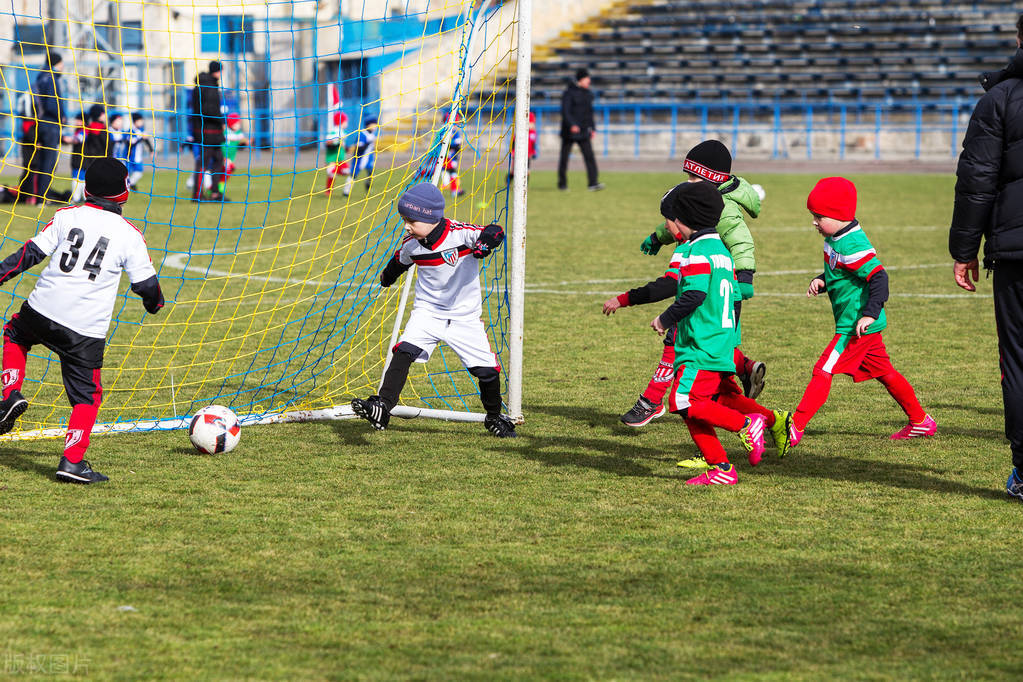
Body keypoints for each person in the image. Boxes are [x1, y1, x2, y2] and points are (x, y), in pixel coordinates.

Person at [0, 158, 164, 484]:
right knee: (87, 398)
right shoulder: (129, 234)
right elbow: (146, 286)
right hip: (85, 330)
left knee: (14, 335)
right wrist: (154, 302)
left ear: (86, 189)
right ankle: (72, 462)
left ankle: (9, 394)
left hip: (41, 309)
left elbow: (30, 252)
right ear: (124, 193)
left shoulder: (66, 216)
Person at [619, 142, 767, 429]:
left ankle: (651, 401)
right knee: (712, 358)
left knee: (678, 343)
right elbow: (680, 221)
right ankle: (749, 381)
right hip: (704, 286)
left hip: (711, 291)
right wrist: (657, 237)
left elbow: (741, 240)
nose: (688, 182)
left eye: (693, 177)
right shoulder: (700, 199)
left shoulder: (724, 209)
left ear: (712, 178)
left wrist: (745, 276)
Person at [350, 183, 516, 438]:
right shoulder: (412, 245)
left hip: (464, 317)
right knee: (404, 351)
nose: (406, 226)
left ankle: (494, 417)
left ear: (430, 217)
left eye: (411, 220)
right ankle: (382, 406)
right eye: (404, 220)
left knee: (487, 372)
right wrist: (387, 277)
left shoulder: (460, 234)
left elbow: (495, 231)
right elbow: (399, 262)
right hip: (427, 312)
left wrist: (484, 244)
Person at [647, 182, 781, 485]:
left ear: (681, 219)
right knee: (691, 409)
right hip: (713, 340)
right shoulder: (721, 250)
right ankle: (721, 468)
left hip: (701, 343)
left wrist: (665, 319)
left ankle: (747, 425)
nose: (666, 226)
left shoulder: (696, 251)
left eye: (668, 219)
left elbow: (693, 295)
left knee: (682, 400)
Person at [789, 177, 936, 450]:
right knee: (885, 372)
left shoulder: (853, 244)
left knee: (823, 369)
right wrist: (823, 280)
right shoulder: (835, 237)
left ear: (838, 215)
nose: (814, 222)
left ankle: (794, 428)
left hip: (856, 325)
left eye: (818, 216)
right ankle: (920, 420)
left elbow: (879, 278)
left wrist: (869, 314)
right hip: (857, 323)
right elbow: (843, 270)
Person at [950, 14, 1023, 501]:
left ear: (1019, 38)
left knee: (1018, 359)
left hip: (1017, 251)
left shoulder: (1001, 98)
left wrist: (963, 249)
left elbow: (977, 180)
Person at [19, 51, 65, 204]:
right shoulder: (51, 78)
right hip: (50, 124)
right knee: (49, 162)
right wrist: (62, 117)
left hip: (40, 124)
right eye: (62, 63)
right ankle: (43, 197)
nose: (63, 66)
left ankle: (40, 196)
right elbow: (52, 104)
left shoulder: (40, 77)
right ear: (57, 63)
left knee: (43, 161)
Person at [557, 68, 602, 192]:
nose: (589, 81)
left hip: (583, 132)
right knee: (564, 158)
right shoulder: (569, 93)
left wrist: (592, 128)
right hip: (569, 132)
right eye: (587, 78)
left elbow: (589, 113)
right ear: (581, 79)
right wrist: (572, 124)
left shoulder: (588, 94)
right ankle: (562, 184)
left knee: (590, 157)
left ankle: (593, 183)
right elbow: (565, 111)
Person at [191, 61, 226, 201]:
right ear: (216, 71)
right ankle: (198, 195)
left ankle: (215, 192)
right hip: (208, 131)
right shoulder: (209, 87)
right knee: (204, 163)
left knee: (218, 160)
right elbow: (209, 110)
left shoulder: (203, 86)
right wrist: (221, 122)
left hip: (207, 130)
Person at [343, 117, 377, 197]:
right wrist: (368, 143)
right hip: (360, 158)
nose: (375, 127)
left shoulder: (372, 135)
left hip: (369, 159)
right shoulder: (362, 134)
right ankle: (346, 192)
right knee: (353, 175)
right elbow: (359, 147)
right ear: (368, 125)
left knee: (371, 173)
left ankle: (368, 187)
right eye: (374, 125)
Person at [219, 112, 248, 198]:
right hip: (223, 157)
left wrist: (246, 142)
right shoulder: (226, 132)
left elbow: (240, 139)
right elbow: (233, 138)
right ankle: (218, 190)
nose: (239, 124)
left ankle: (215, 189)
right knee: (226, 171)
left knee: (226, 172)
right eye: (237, 123)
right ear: (232, 123)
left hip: (231, 158)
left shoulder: (238, 132)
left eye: (239, 123)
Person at [125, 113, 154, 190]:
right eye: (140, 121)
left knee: (139, 172)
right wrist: (140, 137)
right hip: (130, 156)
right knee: (126, 173)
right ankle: (128, 186)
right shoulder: (131, 131)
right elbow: (131, 142)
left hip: (138, 157)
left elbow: (146, 139)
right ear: (135, 121)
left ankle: (131, 184)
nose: (142, 122)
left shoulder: (141, 130)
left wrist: (151, 150)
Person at [324, 111, 349, 196]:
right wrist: (336, 143)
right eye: (346, 121)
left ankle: (330, 191)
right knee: (331, 174)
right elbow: (328, 142)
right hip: (332, 158)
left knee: (347, 171)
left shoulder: (342, 132)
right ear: (342, 122)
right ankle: (328, 191)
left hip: (340, 158)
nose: (347, 123)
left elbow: (343, 145)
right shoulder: (334, 132)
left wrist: (346, 148)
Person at [64, 111, 86, 203]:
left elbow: (77, 140)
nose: (76, 122)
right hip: (78, 159)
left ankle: (78, 198)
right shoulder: (78, 130)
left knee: (79, 178)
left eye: (78, 120)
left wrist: (65, 139)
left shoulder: (84, 131)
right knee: (78, 178)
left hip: (82, 160)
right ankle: (80, 197)